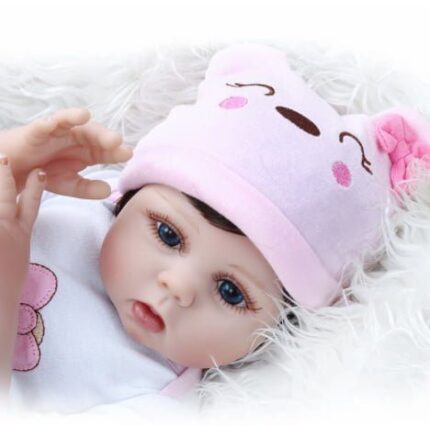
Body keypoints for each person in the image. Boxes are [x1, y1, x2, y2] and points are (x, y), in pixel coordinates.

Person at [1, 42, 430, 414]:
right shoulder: (74, 202)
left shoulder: (149, 395)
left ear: (273, 331)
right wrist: (12, 164)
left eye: (230, 291)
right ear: (130, 196)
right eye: (168, 234)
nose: (178, 286)